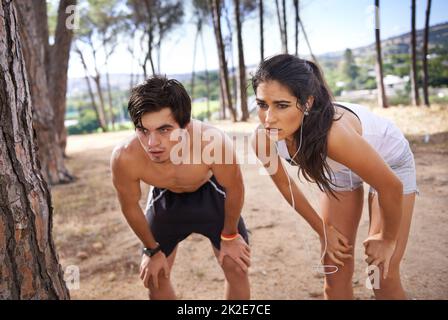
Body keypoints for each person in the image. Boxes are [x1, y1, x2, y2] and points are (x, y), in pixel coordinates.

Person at [251, 54, 417, 300]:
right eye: (262, 104)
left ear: (307, 103)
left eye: (282, 105)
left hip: (390, 164)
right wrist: (323, 231)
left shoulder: (334, 135)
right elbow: (287, 189)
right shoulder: (262, 138)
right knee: (334, 268)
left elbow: (390, 186)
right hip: (339, 169)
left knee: (382, 273)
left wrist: (386, 238)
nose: (268, 117)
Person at [111, 75, 250, 300]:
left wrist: (231, 235)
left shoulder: (212, 142)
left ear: (185, 125)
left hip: (210, 195)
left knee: (236, 265)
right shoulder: (125, 156)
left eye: (164, 130)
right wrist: (152, 250)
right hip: (166, 199)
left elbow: (235, 188)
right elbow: (129, 206)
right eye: (143, 130)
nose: (152, 143)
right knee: (155, 277)